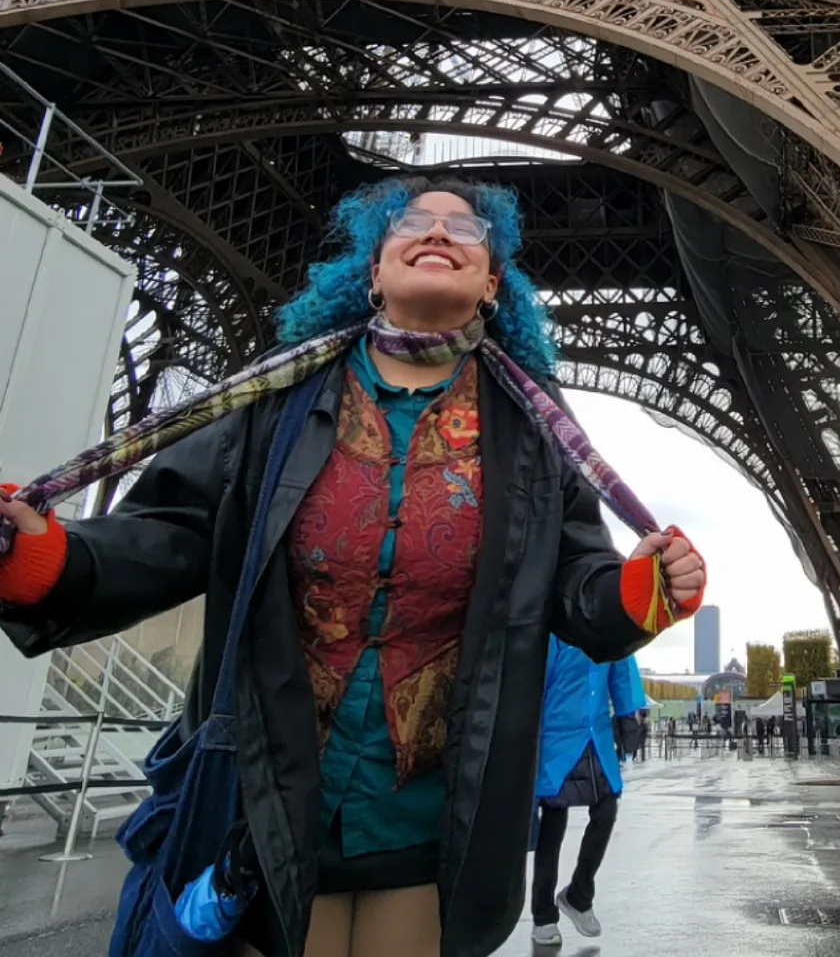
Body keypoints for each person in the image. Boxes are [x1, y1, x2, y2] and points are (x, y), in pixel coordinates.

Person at [0, 178, 705, 957]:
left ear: (492, 283)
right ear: (373, 270)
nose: (438, 232)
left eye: (465, 230)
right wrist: (45, 560)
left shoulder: (534, 432)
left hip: (433, 807)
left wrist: (642, 592)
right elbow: (170, 531)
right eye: (412, 222)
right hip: (268, 792)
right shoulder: (276, 403)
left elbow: (579, 586)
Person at [530, 638, 643, 945]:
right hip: (555, 736)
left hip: (596, 733)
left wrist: (627, 716)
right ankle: (542, 916)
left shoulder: (607, 624)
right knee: (553, 823)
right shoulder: (553, 629)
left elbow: (622, 666)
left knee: (607, 808)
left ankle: (579, 896)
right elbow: (533, 681)